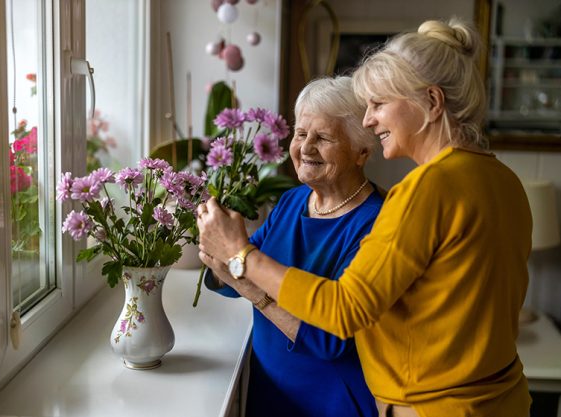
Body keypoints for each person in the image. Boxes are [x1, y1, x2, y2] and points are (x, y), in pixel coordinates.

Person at [197, 18, 532, 417]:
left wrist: (242, 256)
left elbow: (342, 311)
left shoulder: (424, 190)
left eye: (379, 103)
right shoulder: (504, 179)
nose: (371, 120)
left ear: (432, 102)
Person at [203, 76, 383, 417]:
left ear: (362, 152)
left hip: (330, 401)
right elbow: (233, 274)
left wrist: (245, 278)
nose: (305, 147)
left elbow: (329, 340)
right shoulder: (292, 201)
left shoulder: (375, 223)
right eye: (301, 134)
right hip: (270, 391)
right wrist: (215, 242)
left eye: (323, 137)